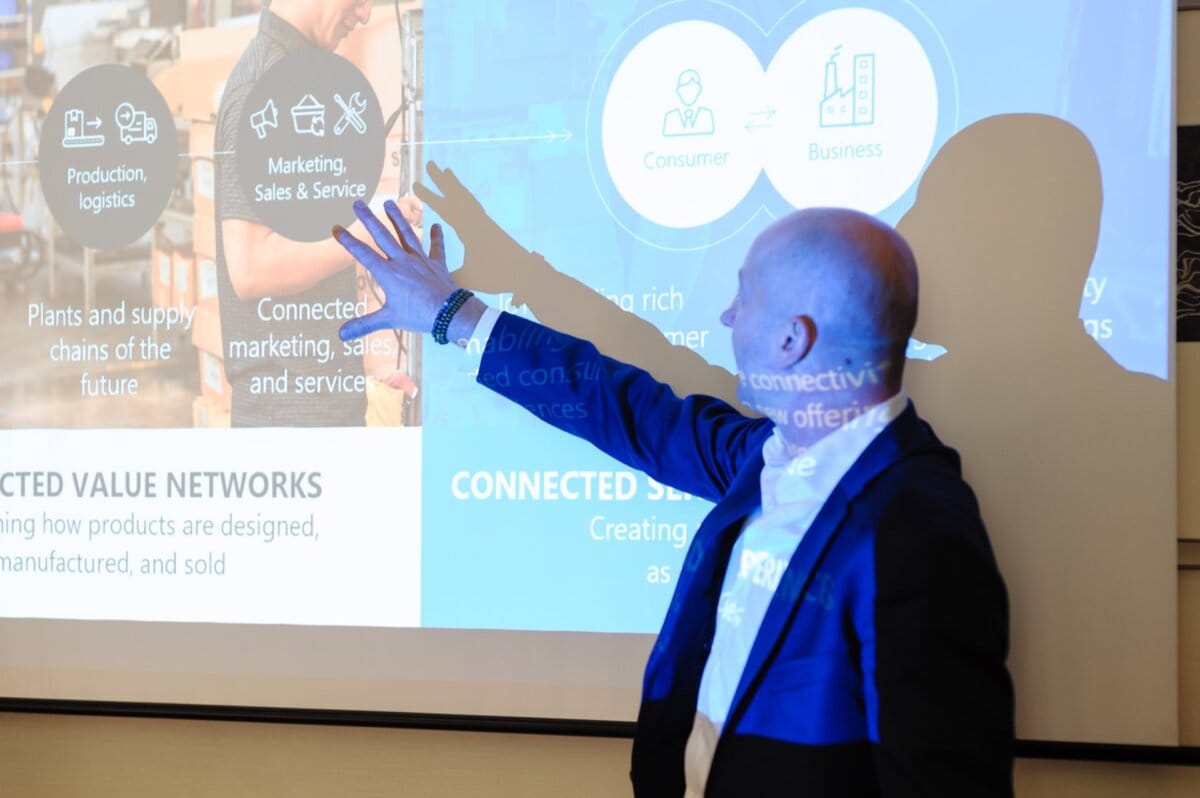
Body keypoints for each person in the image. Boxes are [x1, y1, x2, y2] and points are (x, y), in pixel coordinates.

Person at [333, 184, 1015, 796]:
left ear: (790, 340)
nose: (726, 316)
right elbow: (620, 405)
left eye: (743, 297)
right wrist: (455, 314)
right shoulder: (767, 456)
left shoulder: (918, 530)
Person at [215, 0, 408, 427]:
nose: (364, 15)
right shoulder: (263, 88)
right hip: (288, 423)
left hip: (322, 407)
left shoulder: (302, 83)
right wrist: (363, 239)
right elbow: (250, 268)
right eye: (360, 0)